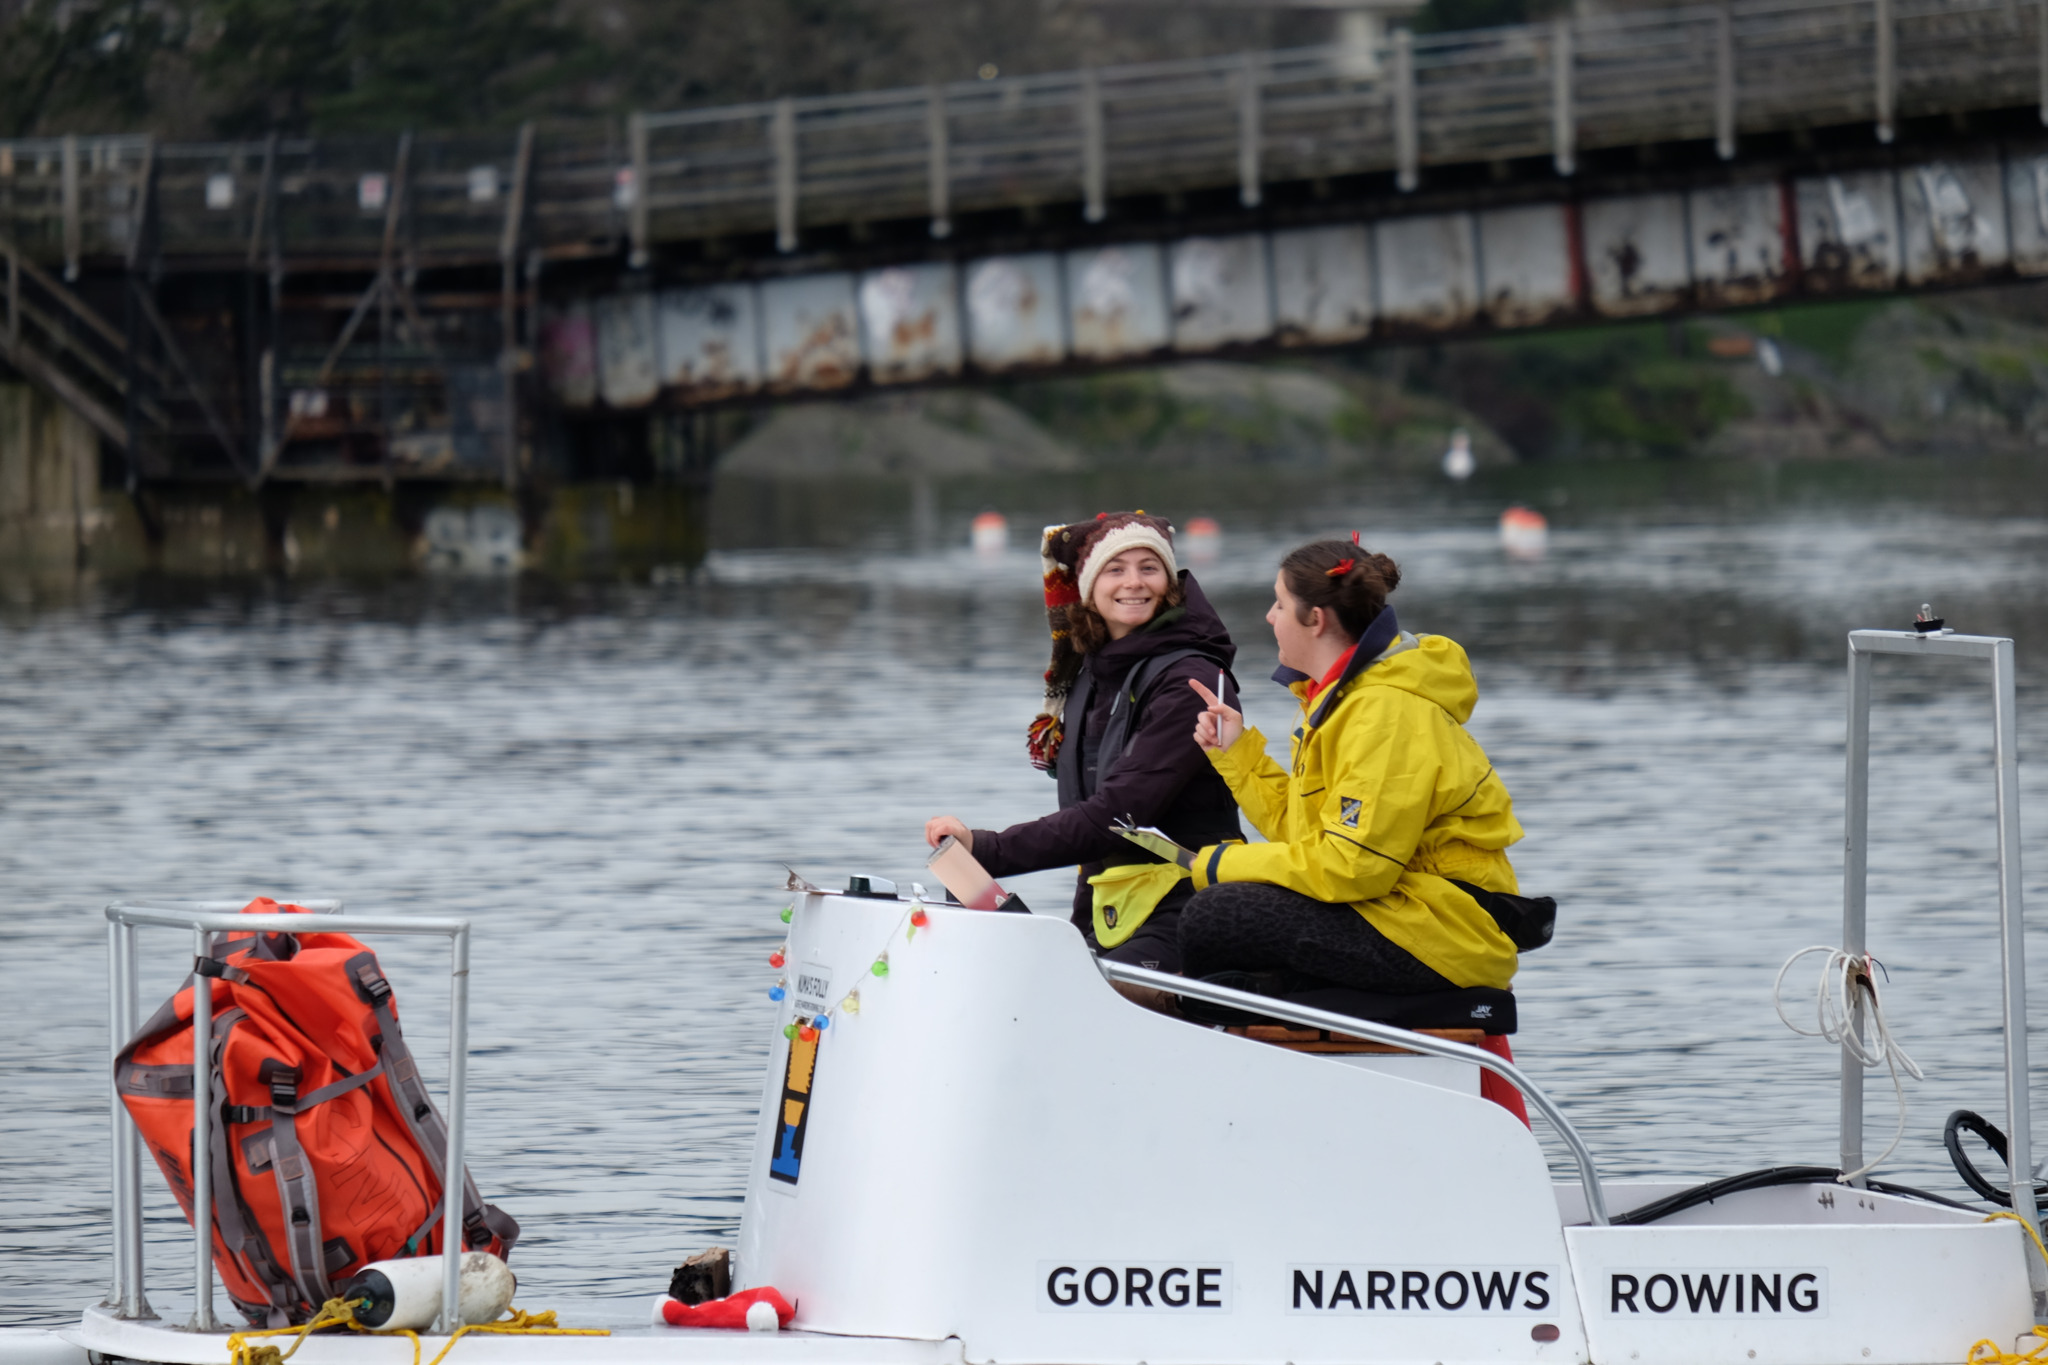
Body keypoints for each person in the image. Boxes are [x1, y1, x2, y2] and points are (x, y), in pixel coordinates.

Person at [1177, 537, 1526, 997]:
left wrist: (1219, 862)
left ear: (1315, 620)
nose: (1269, 616)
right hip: (1397, 910)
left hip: (1444, 931)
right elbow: (1311, 839)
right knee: (1216, 914)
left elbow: (1351, 867)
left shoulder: (1385, 713)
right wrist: (1238, 754)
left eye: (1279, 604)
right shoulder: (1338, 702)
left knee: (1219, 914)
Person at [924, 512, 1242, 974]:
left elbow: (1115, 818)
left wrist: (985, 849)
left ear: (1171, 583)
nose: (1134, 583)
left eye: (1149, 568)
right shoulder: (1087, 676)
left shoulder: (1191, 681)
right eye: (1116, 570)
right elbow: (1095, 850)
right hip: (1110, 910)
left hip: (1190, 909)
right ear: (1088, 588)